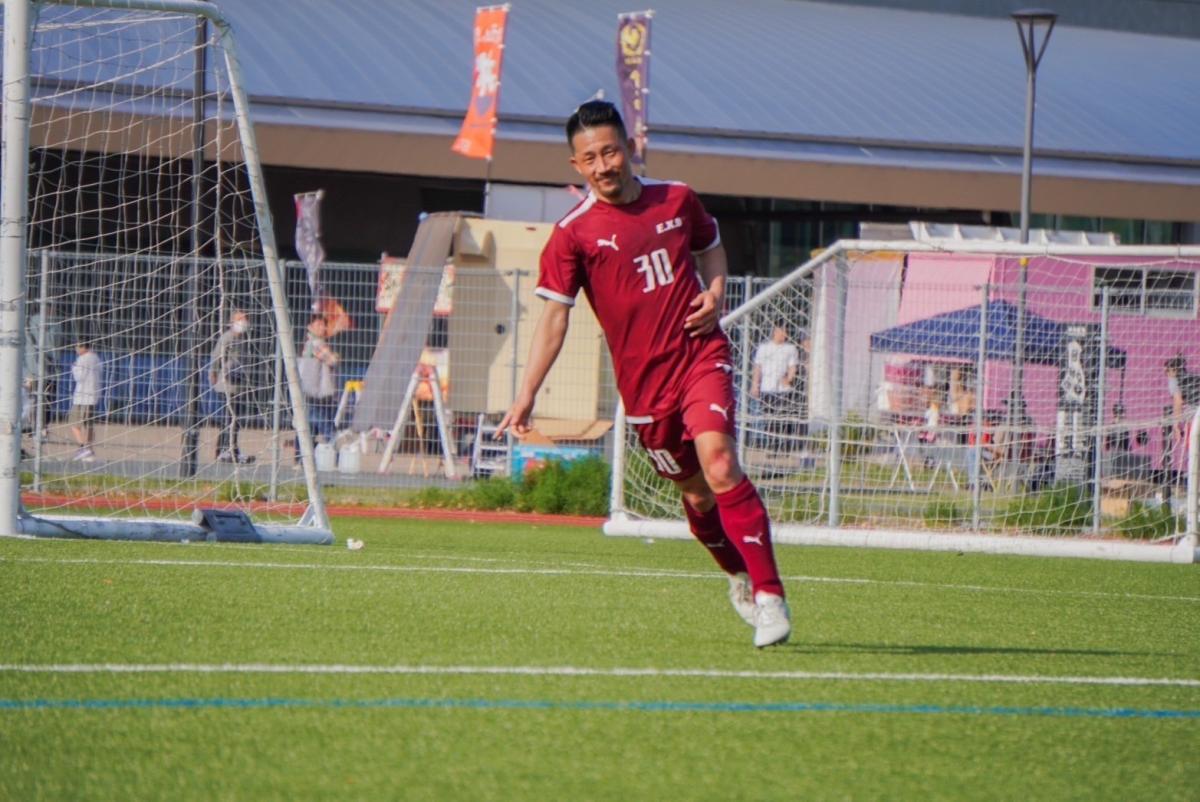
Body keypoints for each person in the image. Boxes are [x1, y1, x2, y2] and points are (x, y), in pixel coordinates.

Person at [496, 100, 789, 648]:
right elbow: (555, 318)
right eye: (589, 158)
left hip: (700, 354)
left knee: (720, 462)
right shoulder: (572, 234)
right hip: (645, 388)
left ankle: (771, 595)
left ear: (629, 148)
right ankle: (738, 575)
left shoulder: (676, 198)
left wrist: (715, 294)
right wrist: (526, 394)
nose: (602, 165)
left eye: (610, 152)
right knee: (697, 494)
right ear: (576, 165)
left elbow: (711, 249)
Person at [208, 309, 254, 464]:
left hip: (238, 384)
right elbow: (216, 357)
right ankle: (226, 450)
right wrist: (213, 373)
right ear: (232, 321)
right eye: (240, 319)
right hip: (226, 384)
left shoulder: (243, 339)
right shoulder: (227, 338)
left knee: (234, 419)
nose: (243, 322)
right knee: (230, 418)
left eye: (245, 319)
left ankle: (230, 450)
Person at [297, 314, 340, 461]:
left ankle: (301, 457)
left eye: (324, 325)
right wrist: (336, 356)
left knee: (309, 425)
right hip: (316, 391)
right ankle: (337, 453)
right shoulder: (317, 343)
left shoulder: (307, 343)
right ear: (310, 327)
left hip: (308, 390)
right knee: (324, 423)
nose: (323, 328)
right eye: (319, 325)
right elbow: (332, 360)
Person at [751, 323, 801, 449]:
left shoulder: (790, 349)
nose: (784, 334)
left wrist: (789, 379)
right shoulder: (764, 348)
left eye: (786, 331)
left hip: (783, 390)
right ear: (775, 331)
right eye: (782, 331)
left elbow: (792, 367)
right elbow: (758, 367)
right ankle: (772, 445)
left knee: (783, 418)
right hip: (767, 388)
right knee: (769, 418)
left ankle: (783, 446)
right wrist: (755, 385)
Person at [1164, 355, 1199, 481]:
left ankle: (1194, 477)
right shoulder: (1192, 377)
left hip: (1196, 416)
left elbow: (1178, 402)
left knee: (1193, 445)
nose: (1166, 374)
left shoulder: (1174, 380)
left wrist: (1176, 426)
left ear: (1174, 370)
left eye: (1167, 371)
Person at [69, 340, 101, 462]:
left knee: (74, 423)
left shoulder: (82, 359)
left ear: (83, 347)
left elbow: (79, 377)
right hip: (93, 395)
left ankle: (84, 447)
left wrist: (74, 368)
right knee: (88, 424)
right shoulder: (96, 358)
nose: (76, 349)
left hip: (82, 396)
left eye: (77, 346)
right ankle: (89, 448)